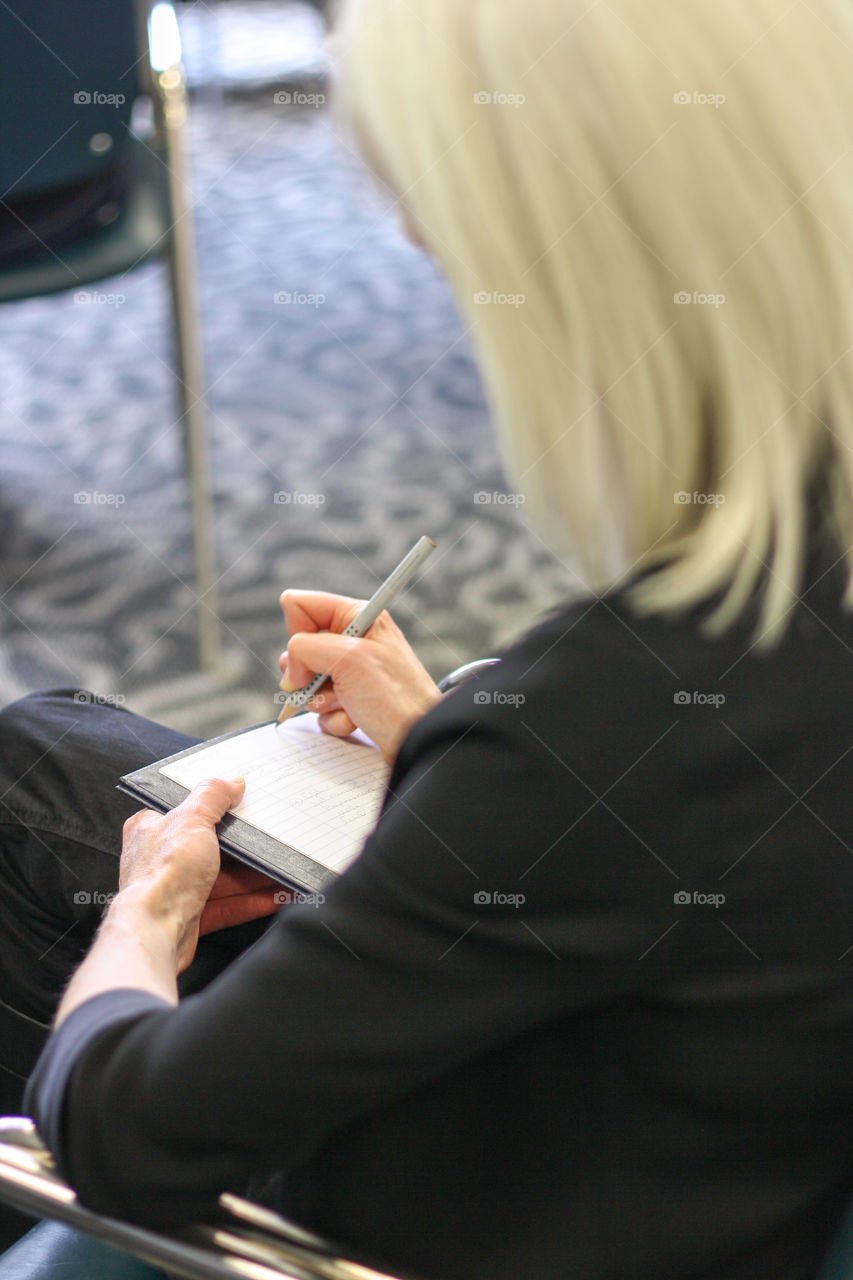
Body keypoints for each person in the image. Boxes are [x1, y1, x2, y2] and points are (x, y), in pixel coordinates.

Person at [3, 0, 853, 1277]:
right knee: (45, 753)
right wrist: (446, 745)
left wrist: (147, 916)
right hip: (691, 1082)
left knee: (52, 835)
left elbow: (128, 1121)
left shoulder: (620, 710)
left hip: (471, 1186)